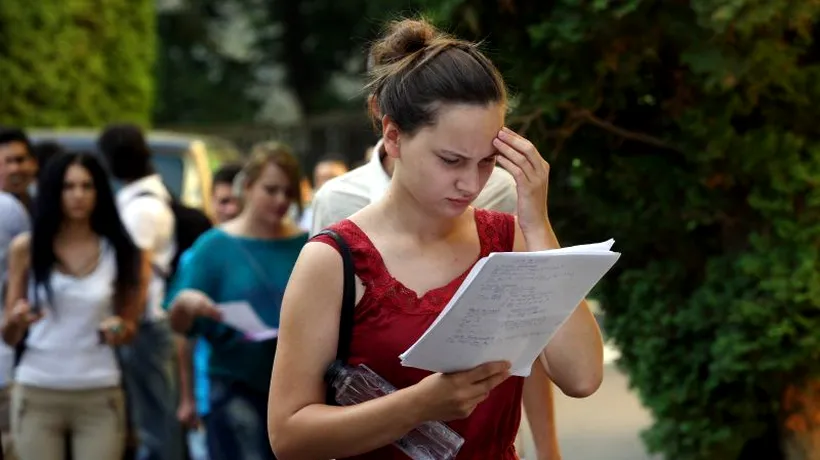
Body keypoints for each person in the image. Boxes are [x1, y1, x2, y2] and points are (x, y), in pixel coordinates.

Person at [267, 18, 603, 459]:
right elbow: (288, 436)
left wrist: (537, 225)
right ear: (393, 136)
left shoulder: (510, 238)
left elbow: (582, 377)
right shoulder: (334, 260)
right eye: (451, 159)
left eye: (486, 161)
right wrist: (418, 405)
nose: (470, 183)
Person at [1, 152, 150, 459]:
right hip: (37, 386)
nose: (78, 196)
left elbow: (129, 328)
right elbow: (8, 334)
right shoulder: (27, 248)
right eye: (68, 187)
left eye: (87, 186)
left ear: (100, 191)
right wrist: (17, 319)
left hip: (98, 390)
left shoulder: (121, 251)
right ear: (55, 191)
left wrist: (118, 328)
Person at [166, 142, 309, 460]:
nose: (280, 201)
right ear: (247, 187)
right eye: (271, 190)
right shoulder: (214, 247)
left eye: (288, 192)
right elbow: (180, 329)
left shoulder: (306, 244)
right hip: (235, 385)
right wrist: (188, 397)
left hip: (297, 390)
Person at [98, 124, 182, 460]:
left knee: (156, 426)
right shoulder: (145, 199)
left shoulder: (142, 208)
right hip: (144, 325)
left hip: (144, 326)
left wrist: (127, 322)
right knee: (152, 421)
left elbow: (138, 274)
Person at [175, 162, 243, 460]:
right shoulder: (198, 256)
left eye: (236, 201)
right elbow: (183, 335)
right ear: (211, 202)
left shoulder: (269, 251)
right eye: (223, 201)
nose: (229, 209)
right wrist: (188, 397)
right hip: (210, 390)